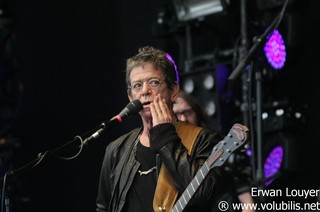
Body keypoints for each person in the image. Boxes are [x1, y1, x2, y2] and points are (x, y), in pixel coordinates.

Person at [96, 46, 223, 212]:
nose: (145, 91)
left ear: (174, 90)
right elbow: (103, 208)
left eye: (154, 82)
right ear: (130, 97)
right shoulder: (116, 150)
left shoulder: (204, 139)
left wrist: (165, 136)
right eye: (137, 85)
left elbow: (204, 195)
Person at [173, 90, 255, 212]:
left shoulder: (218, 146)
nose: (184, 118)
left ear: (197, 114)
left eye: (188, 112)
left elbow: (246, 198)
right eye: (177, 114)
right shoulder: (166, 154)